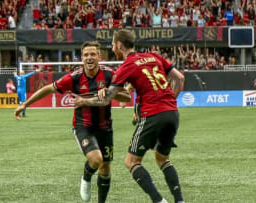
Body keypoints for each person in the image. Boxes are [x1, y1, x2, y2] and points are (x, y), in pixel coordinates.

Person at [73, 30, 185, 203]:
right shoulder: (154, 56)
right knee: (162, 158)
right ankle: (179, 200)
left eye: (112, 44)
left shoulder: (127, 65)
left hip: (152, 114)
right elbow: (179, 77)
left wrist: (84, 101)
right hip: (172, 113)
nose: (111, 47)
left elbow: (107, 99)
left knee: (131, 161)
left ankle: (159, 201)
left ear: (119, 45)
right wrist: (170, 101)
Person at [14, 41, 131, 203]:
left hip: (105, 127)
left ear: (99, 56)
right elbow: (48, 89)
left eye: (92, 54)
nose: (89, 57)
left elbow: (127, 97)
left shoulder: (110, 74)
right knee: (96, 160)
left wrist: (111, 93)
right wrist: (25, 104)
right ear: (81, 58)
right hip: (83, 126)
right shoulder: (74, 78)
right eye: (86, 55)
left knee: (105, 168)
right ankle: (86, 176)